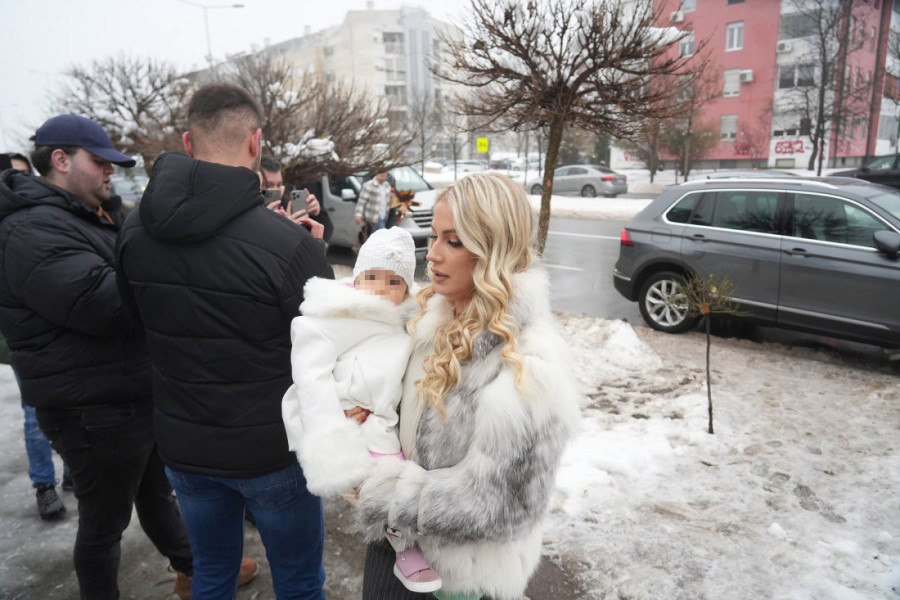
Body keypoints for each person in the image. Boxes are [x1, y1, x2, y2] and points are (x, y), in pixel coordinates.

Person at [116, 83, 334, 599]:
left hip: (185, 449)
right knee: (300, 584)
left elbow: (134, 320)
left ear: (188, 145)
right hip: (271, 452)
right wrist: (311, 260)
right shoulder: (287, 246)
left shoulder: (132, 232)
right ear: (256, 143)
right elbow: (324, 347)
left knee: (211, 573)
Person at [0, 114, 201, 599]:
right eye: (101, 162)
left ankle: (193, 571)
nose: (111, 173)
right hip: (89, 409)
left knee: (155, 493)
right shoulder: (30, 229)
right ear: (61, 160)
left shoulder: (94, 214)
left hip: (126, 391)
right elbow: (104, 303)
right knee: (103, 524)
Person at [355, 172, 581, 600]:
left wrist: (380, 487)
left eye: (453, 241)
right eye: (435, 235)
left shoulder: (529, 366)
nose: (433, 254)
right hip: (394, 544)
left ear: (492, 250)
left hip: (459, 580)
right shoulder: (427, 319)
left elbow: (502, 504)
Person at [281, 227, 441, 593]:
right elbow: (309, 370)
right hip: (352, 418)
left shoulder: (405, 320)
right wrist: (331, 427)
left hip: (381, 417)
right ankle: (405, 549)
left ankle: (407, 541)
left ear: (406, 288)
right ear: (356, 279)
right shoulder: (339, 315)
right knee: (385, 480)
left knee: (397, 476)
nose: (380, 289)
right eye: (370, 277)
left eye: (392, 281)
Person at [259, 155, 333, 242]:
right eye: (268, 185)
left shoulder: (289, 204)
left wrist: (318, 214)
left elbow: (326, 235)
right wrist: (286, 229)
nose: (275, 190)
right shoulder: (251, 209)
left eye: (279, 185)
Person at [354, 168, 392, 243]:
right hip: (373, 216)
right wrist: (358, 214)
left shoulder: (387, 185)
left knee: (377, 237)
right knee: (382, 237)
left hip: (384, 215)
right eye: (382, 176)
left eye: (385, 176)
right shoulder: (369, 185)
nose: (384, 178)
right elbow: (362, 201)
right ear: (377, 175)